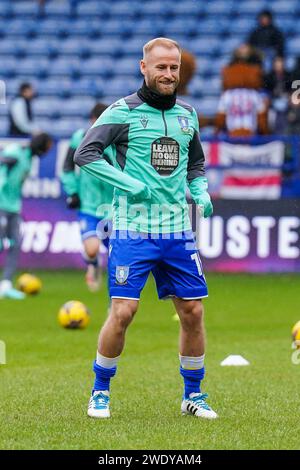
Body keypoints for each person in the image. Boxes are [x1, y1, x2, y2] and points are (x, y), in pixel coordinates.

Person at [74, 37, 217, 420]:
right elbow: (84, 153)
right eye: (161, 67)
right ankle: (99, 391)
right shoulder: (121, 112)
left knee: (192, 312)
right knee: (123, 312)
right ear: (144, 68)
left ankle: (193, 396)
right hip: (131, 229)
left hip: (177, 231)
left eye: (174, 67)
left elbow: (195, 163)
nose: (168, 73)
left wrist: (199, 189)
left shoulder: (189, 114)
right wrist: (127, 183)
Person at [60, 103, 114, 291]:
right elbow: (67, 167)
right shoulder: (80, 138)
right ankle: (93, 263)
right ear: (92, 120)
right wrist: (73, 191)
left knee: (117, 258)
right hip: (89, 206)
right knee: (91, 249)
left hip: (113, 209)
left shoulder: (116, 140)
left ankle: (115, 303)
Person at [0, 133, 52, 299]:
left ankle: (6, 284)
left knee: (15, 244)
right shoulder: (15, 152)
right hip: (1, 205)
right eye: (47, 147)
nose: (47, 151)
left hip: (13, 207)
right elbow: (3, 165)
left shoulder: (29, 158)